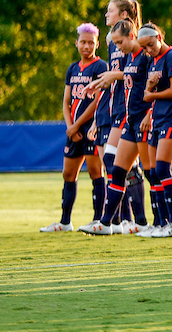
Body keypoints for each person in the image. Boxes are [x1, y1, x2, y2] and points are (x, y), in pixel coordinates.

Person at [82, 20, 151, 236]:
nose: (117, 47)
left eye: (120, 42)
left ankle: (153, 222)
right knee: (116, 167)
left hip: (141, 118)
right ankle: (108, 222)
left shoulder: (146, 55)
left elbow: (151, 82)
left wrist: (150, 113)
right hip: (127, 119)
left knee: (153, 172)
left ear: (132, 35)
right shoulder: (129, 56)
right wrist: (102, 82)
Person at [41, 23, 108, 233]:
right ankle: (65, 222)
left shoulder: (100, 67)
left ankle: (98, 220)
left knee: (96, 172)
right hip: (73, 130)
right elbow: (66, 101)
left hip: (90, 129)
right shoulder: (72, 68)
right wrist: (70, 127)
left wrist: (78, 125)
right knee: (68, 174)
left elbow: (96, 101)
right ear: (76, 43)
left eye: (91, 42)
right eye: (83, 42)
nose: (86, 46)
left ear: (97, 44)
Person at [139, 23, 172, 237]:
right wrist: (149, 109)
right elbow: (148, 93)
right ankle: (159, 223)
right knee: (152, 172)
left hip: (171, 119)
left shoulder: (171, 57)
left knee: (162, 170)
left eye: (150, 45)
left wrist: (151, 95)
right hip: (156, 119)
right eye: (145, 48)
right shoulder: (153, 60)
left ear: (159, 36)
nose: (149, 50)